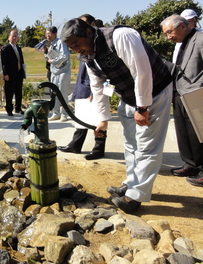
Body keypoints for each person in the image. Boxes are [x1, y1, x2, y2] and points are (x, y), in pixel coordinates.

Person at [61, 18, 172, 213]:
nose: (75, 49)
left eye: (76, 44)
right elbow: (98, 87)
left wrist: (143, 107)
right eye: (71, 47)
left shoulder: (120, 36)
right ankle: (131, 183)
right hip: (127, 97)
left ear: (89, 31)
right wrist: (102, 119)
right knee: (131, 143)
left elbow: (142, 72)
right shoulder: (87, 56)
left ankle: (135, 196)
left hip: (154, 93)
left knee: (147, 146)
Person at [161, 14, 203, 187]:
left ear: (183, 26)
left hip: (197, 93)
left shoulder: (200, 39)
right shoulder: (181, 43)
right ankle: (190, 165)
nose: (168, 36)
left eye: (170, 32)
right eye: (166, 33)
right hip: (179, 93)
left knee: (199, 135)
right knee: (184, 133)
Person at [58, 14, 107, 160]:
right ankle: (75, 144)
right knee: (81, 117)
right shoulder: (83, 44)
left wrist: (95, 91)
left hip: (94, 88)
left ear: (91, 27)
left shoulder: (100, 44)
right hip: (83, 85)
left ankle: (99, 148)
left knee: (99, 118)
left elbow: (103, 74)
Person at [44, 26, 71, 122]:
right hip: (54, 72)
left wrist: (53, 60)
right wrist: (45, 53)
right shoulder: (51, 45)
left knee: (63, 93)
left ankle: (64, 114)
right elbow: (49, 59)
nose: (47, 36)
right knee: (54, 93)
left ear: (55, 34)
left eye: (49, 33)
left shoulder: (61, 42)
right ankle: (56, 113)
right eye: (46, 34)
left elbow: (65, 56)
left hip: (63, 71)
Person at [1, 29, 26, 116]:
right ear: (9, 37)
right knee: (9, 92)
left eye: (16, 36)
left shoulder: (18, 48)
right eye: (13, 36)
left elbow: (21, 61)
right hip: (10, 74)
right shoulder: (5, 48)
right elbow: (4, 63)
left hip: (19, 73)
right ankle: (9, 109)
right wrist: (6, 74)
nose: (14, 38)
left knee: (19, 92)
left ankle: (18, 108)